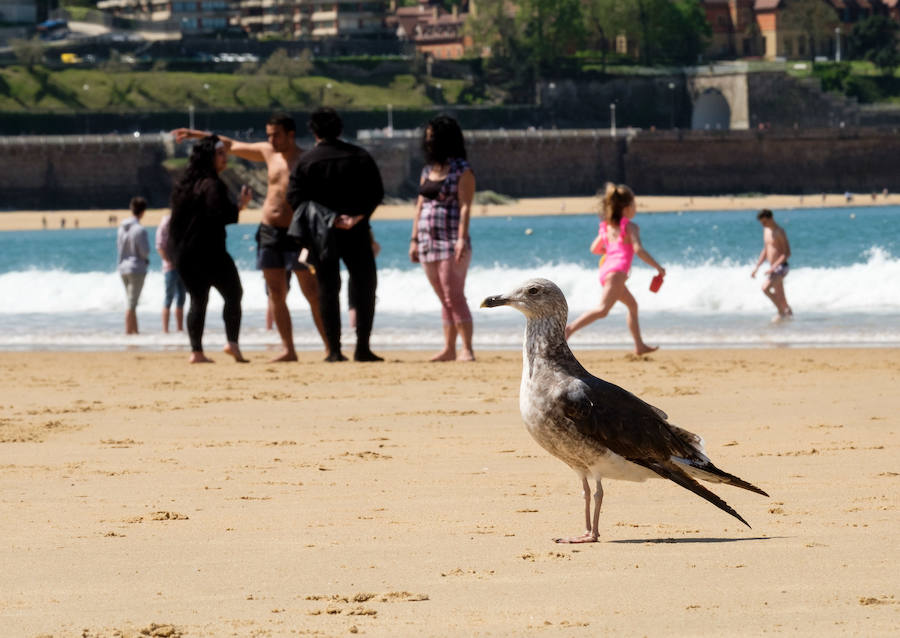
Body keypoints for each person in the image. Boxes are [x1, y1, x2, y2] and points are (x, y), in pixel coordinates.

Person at [172, 113, 326, 362]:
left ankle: (330, 347)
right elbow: (231, 145)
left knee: (311, 291)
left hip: (298, 233)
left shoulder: (305, 158)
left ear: (290, 134)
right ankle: (289, 349)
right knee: (275, 291)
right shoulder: (268, 152)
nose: (271, 139)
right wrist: (196, 134)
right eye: (268, 134)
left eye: (276, 134)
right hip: (269, 231)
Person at [286, 107, 384, 362]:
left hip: (322, 232)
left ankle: (334, 350)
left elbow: (295, 198)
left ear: (314, 131)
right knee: (364, 285)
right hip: (357, 229)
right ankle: (362, 346)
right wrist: (358, 216)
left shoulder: (306, 161)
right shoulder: (359, 156)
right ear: (340, 129)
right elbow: (376, 192)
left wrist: (330, 218)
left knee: (328, 288)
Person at [169, 135, 252, 363]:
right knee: (234, 293)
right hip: (210, 251)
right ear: (209, 157)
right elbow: (220, 214)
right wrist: (239, 207)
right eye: (220, 153)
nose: (225, 157)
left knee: (197, 299)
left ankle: (196, 352)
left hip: (184, 254)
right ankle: (232, 343)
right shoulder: (212, 184)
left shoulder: (183, 185)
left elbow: (174, 223)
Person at [565, 183, 665, 355]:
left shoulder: (607, 227)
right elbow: (638, 250)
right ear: (626, 208)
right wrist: (658, 267)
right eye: (634, 205)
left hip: (607, 272)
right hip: (617, 273)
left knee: (633, 306)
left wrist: (610, 250)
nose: (636, 209)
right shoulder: (630, 226)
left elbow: (594, 249)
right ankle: (569, 330)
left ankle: (639, 345)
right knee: (602, 310)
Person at [408, 115, 475, 362]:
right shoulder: (428, 170)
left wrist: (460, 239)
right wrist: (413, 240)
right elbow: (419, 207)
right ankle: (448, 348)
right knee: (443, 298)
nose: (428, 142)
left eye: (432, 137)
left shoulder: (462, 170)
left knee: (454, 295)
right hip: (427, 241)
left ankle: (467, 348)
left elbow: (465, 206)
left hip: (451, 241)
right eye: (427, 138)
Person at [751, 209, 793, 321]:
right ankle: (788, 316)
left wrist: (773, 267)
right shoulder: (766, 230)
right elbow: (765, 250)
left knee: (765, 288)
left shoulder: (779, 232)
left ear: (771, 218)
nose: (763, 225)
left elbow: (787, 253)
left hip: (781, 267)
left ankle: (781, 312)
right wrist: (757, 267)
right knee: (781, 296)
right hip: (773, 268)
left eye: (764, 222)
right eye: (761, 223)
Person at [116, 196, 150, 335]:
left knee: (132, 301)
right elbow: (145, 251)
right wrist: (145, 259)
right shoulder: (139, 230)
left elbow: (119, 248)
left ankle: (135, 331)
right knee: (132, 303)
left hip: (123, 267)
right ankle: (128, 332)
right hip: (136, 268)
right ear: (143, 212)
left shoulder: (122, 228)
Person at [155, 212, 186, 332]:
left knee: (181, 298)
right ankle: (166, 330)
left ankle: (179, 329)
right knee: (169, 298)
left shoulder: (181, 221)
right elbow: (159, 246)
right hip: (170, 267)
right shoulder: (166, 223)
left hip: (181, 266)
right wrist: (169, 261)